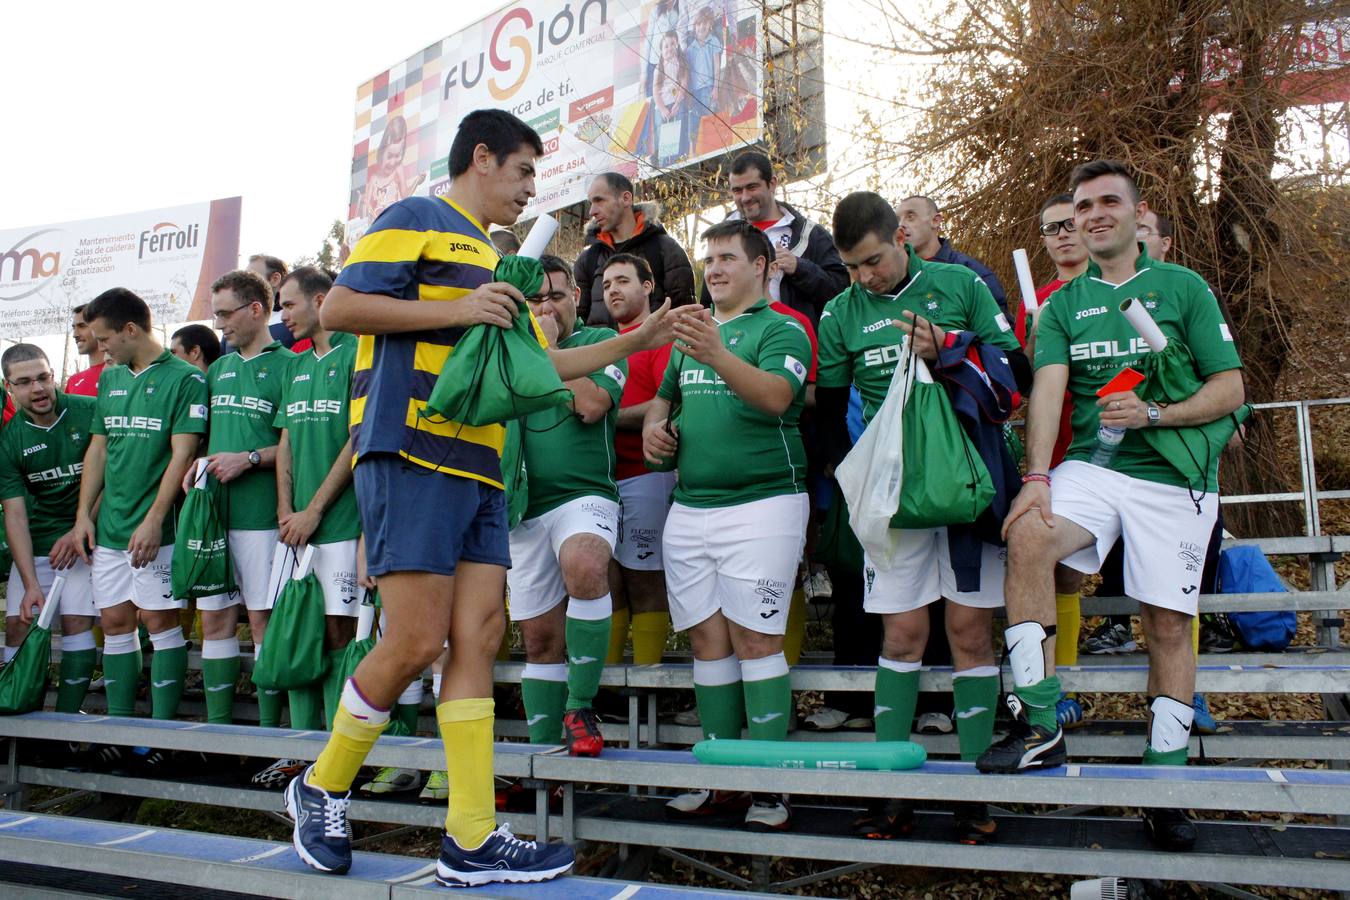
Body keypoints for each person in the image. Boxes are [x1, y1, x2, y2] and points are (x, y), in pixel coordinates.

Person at [286, 108, 674, 885]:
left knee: (478, 640)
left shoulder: (494, 263)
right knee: (415, 642)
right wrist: (458, 308)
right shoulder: (416, 216)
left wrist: (633, 342)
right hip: (411, 450)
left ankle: (470, 834)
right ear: (483, 157)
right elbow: (340, 308)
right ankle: (322, 784)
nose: (531, 191)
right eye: (525, 172)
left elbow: (535, 368)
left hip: (482, 468)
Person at [978, 160, 1245, 857]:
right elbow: (1047, 390)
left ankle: (1166, 791)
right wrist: (1035, 476)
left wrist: (1157, 411)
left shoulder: (1182, 288)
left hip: (1176, 477)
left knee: (1163, 626)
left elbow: (1231, 389)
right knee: (1028, 535)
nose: (1093, 214)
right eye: (1082, 205)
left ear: (1136, 212)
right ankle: (1040, 726)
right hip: (1096, 467)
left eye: (1106, 202)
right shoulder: (1065, 304)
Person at [819, 191, 1028, 845]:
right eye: (852, 267)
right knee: (902, 636)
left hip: (965, 486)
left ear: (901, 239)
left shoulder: (960, 284)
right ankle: (893, 790)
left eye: (873, 262)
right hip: (894, 498)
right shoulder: (840, 312)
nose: (865, 278)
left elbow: (1016, 371)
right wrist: (851, 481)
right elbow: (827, 415)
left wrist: (951, 347)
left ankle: (970, 790)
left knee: (968, 633)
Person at [645, 220, 811, 832]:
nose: (713, 269)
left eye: (726, 258)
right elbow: (666, 396)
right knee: (707, 644)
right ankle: (720, 781)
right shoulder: (691, 333)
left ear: (763, 265)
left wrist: (717, 351)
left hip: (764, 504)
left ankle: (769, 786)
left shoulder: (782, 326)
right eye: (707, 258)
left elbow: (776, 397)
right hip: (690, 508)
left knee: (756, 642)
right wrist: (654, 426)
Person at [71, 288, 207, 728]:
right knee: (113, 621)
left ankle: (161, 735)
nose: (100, 346)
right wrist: (83, 516)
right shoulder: (109, 378)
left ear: (131, 328)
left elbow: (182, 454)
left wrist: (154, 519)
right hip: (110, 526)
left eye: (105, 337)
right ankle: (121, 729)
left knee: (158, 619)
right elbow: (98, 449)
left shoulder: (185, 379)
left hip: (157, 528)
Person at [508, 256, 626, 756]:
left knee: (584, 564)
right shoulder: (507, 353)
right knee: (538, 641)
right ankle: (542, 762)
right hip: (522, 508)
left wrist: (546, 350)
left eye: (555, 295)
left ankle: (581, 705)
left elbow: (592, 404)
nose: (545, 307)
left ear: (576, 296)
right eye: (534, 300)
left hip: (584, 493)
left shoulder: (599, 342)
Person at [250, 267, 360, 789]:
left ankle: (339, 758)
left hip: (341, 523)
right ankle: (300, 754)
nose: (283, 315)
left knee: (337, 634)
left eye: (289, 304)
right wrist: (284, 509)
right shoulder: (296, 366)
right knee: (292, 628)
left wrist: (314, 510)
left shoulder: (359, 354)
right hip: (294, 528)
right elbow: (288, 439)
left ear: (321, 300)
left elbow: (355, 441)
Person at [189, 270, 294, 733]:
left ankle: (269, 737)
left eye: (226, 314)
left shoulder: (290, 366)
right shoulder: (219, 370)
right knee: (214, 622)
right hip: (214, 518)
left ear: (256, 309)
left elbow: (299, 446)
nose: (220, 326)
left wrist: (249, 458)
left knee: (261, 621)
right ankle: (218, 733)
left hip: (261, 520)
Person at [0, 344, 99, 714]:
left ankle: (66, 726)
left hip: (88, 537)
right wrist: (29, 585)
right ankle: (20, 722)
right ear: (10, 388)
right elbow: (15, 515)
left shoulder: (88, 411)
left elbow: (110, 479)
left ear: (52, 376)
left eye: (43, 377)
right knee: (18, 626)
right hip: (39, 544)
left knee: (76, 623)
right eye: (24, 382)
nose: (38, 388)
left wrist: (80, 525)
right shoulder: (10, 438)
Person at [602, 254, 674, 667]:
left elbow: (666, 405)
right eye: (607, 283)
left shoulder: (661, 340)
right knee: (604, 581)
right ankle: (609, 686)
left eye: (623, 281)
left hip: (647, 475)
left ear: (648, 286)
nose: (613, 289)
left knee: (645, 581)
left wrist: (605, 416)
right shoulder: (600, 343)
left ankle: (648, 681)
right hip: (601, 481)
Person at [700, 151, 849, 324]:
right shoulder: (719, 237)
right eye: (737, 190)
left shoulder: (810, 233)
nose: (745, 197)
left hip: (793, 340)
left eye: (752, 187)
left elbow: (841, 293)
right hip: (733, 341)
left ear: (772, 183)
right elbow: (707, 301)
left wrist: (799, 268)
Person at [573, 172, 696, 326]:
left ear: (626, 198)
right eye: (591, 202)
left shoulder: (664, 248)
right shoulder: (587, 259)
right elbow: (576, 322)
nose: (592, 211)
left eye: (599, 200)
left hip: (656, 348)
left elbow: (686, 314)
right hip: (604, 350)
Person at [896, 196, 1009, 316]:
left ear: (935, 221)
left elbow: (1001, 330)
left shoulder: (970, 272)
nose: (901, 225)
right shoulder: (894, 277)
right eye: (897, 220)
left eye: (910, 217)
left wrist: (951, 336)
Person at [650, 30, 691, 165]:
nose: (669, 48)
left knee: (676, 136)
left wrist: (677, 105)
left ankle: (676, 162)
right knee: (663, 139)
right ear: (661, 51)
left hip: (677, 104)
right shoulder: (659, 69)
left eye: (672, 44)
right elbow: (655, 91)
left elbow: (683, 85)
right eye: (665, 46)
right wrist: (662, 109)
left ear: (677, 45)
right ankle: (663, 164)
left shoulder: (681, 63)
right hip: (662, 107)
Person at [244, 254, 300, 350]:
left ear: (275, 279)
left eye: (252, 278)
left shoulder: (298, 320)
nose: (243, 285)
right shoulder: (234, 324)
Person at [65, 305, 107, 397]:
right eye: (74, 327)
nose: (75, 334)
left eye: (82, 326)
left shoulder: (121, 373)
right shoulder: (73, 381)